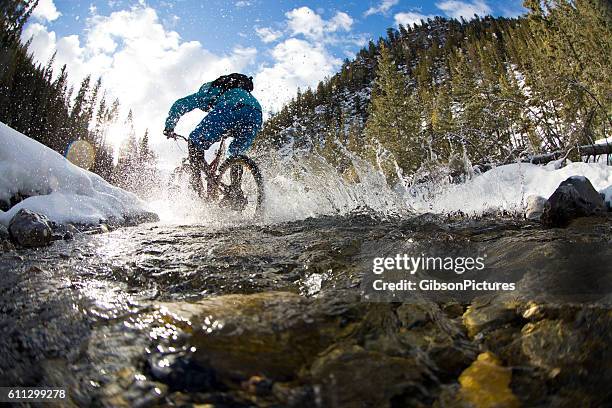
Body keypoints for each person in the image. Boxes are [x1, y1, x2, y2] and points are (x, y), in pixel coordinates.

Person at [163, 73, 262, 194]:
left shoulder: (208, 91)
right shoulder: (239, 92)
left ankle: (197, 188)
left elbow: (180, 105)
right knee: (236, 152)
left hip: (232, 107)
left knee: (194, 141)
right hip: (256, 113)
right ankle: (235, 192)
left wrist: (169, 127)